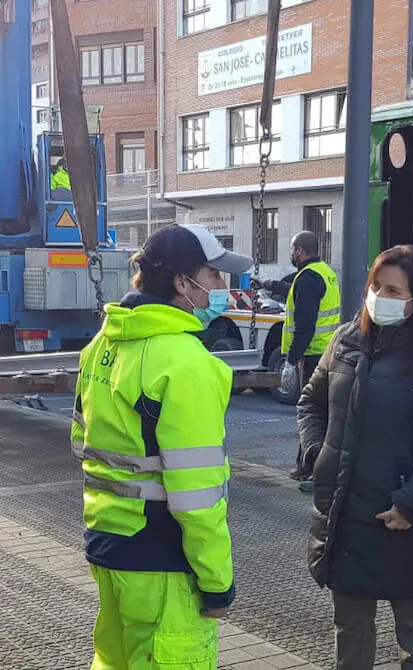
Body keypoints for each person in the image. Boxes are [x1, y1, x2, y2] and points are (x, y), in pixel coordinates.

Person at [71, 222, 252, 668]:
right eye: (213, 276)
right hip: (164, 560)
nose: (221, 287)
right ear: (182, 283)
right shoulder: (187, 363)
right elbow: (197, 495)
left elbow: (82, 441)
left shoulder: (101, 346)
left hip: (108, 543)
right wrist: (216, 582)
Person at [297, 244, 413, 670]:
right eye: (376, 286)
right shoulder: (345, 341)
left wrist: (411, 504)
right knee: (350, 626)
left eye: (395, 291)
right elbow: (312, 402)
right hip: (344, 510)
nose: (381, 297)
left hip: (401, 517)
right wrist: (315, 452)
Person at [273, 231, 341, 488]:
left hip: (313, 356)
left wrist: (292, 359)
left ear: (299, 250)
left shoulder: (308, 278)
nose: (291, 254)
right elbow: (291, 288)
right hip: (327, 352)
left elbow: (305, 324)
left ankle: (314, 470)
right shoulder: (324, 272)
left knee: (312, 414)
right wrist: (269, 285)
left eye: (292, 249)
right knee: (317, 412)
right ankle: (305, 465)